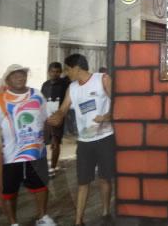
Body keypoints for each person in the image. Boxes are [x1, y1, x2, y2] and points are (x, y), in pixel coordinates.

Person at [48, 54, 114, 226]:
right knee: (83, 181)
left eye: (68, 69)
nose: (66, 73)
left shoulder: (103, 79)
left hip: (105, 138)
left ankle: (106, 210)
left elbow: (118, 103)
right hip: (84, 141)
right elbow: (63, 109)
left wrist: (108, 116)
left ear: (77, 67)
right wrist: (57, 117)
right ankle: (79, 220)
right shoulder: (73, 88)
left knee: (105, 178)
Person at [0, 64, 56, 226]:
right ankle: (13, 223)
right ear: (8, 79)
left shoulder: (36, 94)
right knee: (9, 191)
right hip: (11, 154)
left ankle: (43, 217)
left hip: (36, 152)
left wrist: (47, 140)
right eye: (15, 75)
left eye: (22, 75)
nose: (20, 78)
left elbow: (46, 118)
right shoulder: (1, 98)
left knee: (41, 185)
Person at [40, 62, 70, 177]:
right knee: (43, 141)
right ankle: (42, 166)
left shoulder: (65, 83)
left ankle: (53, 167)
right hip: (46, 117)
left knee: (55, 142)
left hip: (58, 117)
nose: (55, 74)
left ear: (61, 72)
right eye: (53, 71)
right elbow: (42, 100)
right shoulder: (45, 85)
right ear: (49, 72)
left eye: (57, 72)